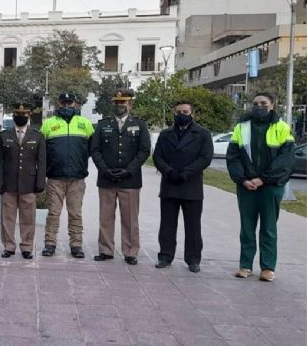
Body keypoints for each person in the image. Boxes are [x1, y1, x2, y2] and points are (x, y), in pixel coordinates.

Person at [226, 92, 295, 282]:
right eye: (256, 103)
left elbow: (286, 160)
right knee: (247, 227)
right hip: (246, 186)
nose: (259, 106)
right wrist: (243, 179)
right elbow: (233, 157)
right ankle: (245, 265)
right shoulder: (241, 127)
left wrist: (263, 179)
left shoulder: (282, 128)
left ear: (272, 105)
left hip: (270, 186)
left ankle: (267, 268)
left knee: (269, 228)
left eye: (263, 103)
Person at [90, 88, 151, 265]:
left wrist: (129, 170)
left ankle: (131, 251)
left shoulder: (140, 125)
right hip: (107, 178)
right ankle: (106, 250)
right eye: (116, 103)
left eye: (122, 102)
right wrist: (104, 169)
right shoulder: (103, 125)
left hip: (130, 180)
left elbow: (144, 150)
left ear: (129, 104)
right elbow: (95, 149)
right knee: (106, 217)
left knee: (130, 219)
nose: (119, 105)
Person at [152, 100, 213, 273]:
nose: (181, 115)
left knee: (193, 226)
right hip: (170, 184)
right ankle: (165, 256)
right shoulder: (165, 134)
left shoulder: (202, 134)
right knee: (167, 225)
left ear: (192, 114)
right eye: (178, 112)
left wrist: (187, 172)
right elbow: (158, 157)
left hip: (191, 185)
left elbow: (205, 158)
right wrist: (168, 171)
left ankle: (193, 259)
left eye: (185, 112)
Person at [40, 93, 94, 258]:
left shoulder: (85, 124)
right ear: (59, 104)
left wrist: (79, 161)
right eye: (63, 103)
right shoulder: (49, 123)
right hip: (55, 178)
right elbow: (42, 150)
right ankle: (50, 244)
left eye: (69, 103)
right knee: (53, 213)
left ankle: (76, 245)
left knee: (75, 213)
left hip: (77, 178)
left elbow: (91, 148)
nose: (66, 106)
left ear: (75, 104)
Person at [0, 103, 46, 259]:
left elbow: (42, 162)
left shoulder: (37, 136)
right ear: (14, 115)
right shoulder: (4, 135)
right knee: (7, 218)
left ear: (29, 116)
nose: (21, 116)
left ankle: (27, 246)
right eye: (18, 113)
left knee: (28, 218)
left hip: (29, 184)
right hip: (8, 183)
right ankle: (9, 246)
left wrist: (40, 183)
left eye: (24, 114)